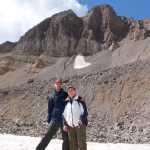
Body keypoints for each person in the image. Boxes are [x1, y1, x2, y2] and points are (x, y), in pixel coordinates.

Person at [36, 79, 69, 150]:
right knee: (48, 135)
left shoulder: (66, 95)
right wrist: (49, 119)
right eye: (57, 84)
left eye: (60, 83)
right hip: (55, 119)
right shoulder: (51, 96)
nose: (58, 85)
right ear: (55, 85)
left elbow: (72, 101)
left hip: (64, 120)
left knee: (66, 138)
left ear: (61, 85)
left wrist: (80, 98)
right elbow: (50, 108)